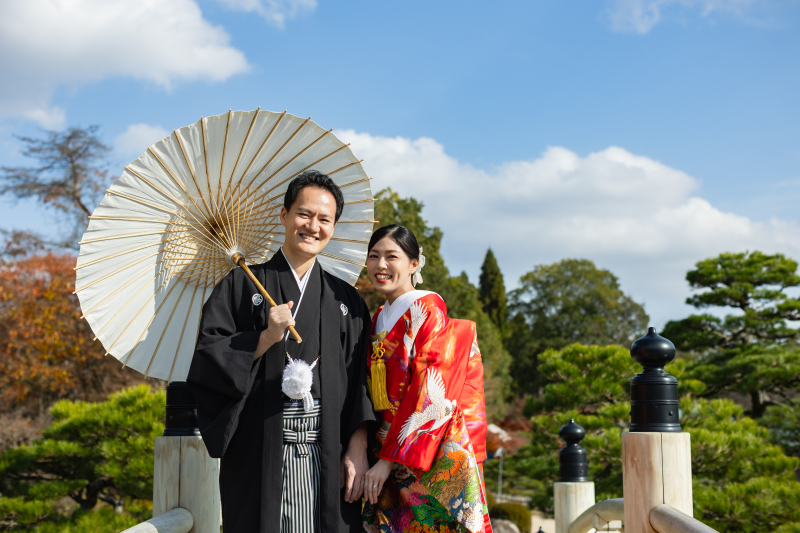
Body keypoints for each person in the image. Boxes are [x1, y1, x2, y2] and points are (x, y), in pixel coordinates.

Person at [186, 170, 375, 533]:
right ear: (284, 215)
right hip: (261, 452)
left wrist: (358, 446)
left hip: (329, 453)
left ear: (334, 227)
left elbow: (361, 382)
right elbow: (209, 357)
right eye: (304, 214)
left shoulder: (346, 301)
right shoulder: (241, 285)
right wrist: (265, 337)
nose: (313, 226)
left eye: (325, 219)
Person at [361, 224, 492, 533]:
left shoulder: (428, 310)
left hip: (419, 452)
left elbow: (431, 388)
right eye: (374, 256)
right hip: (384, 448)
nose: (381, 265)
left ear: (414, 263)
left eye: (392, 256)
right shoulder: (379, 315)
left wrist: (388, 459)